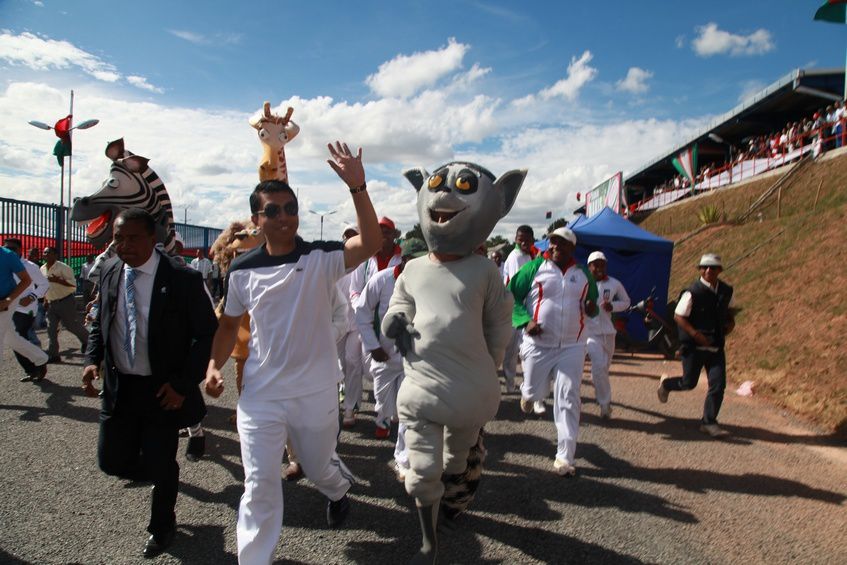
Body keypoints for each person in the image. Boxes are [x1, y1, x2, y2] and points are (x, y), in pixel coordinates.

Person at [204, 141, 381, 564]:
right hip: (261, 396)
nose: (283, 217)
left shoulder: (322, 258)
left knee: (319, 468)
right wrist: (214, 366)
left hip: (315, 391)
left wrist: (358, 187)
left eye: (290, 209)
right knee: (260, 483)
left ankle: (338, 491)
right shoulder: (242, 271)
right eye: (273, 211)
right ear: (256, 219)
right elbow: (229, 325)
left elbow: (371, 242)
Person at [81, 208, 217, 558]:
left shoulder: (182, 278)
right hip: (120, 387)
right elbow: (102, 321)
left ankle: (162, 527)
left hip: (162, 390)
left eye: (132, 238)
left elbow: (206, 335)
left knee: (161, 462)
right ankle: (160, 473)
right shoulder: (111, 270)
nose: (123, 245)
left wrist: (184, 384)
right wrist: (91, 360)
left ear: (153, 239)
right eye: (118, 238)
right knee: (110, 461)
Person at [508, 227, 598, 476]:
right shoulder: (534, 268)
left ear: (572, 247)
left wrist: (592, 308)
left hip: (573, 345)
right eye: (553, 242)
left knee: (569, 398)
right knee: (534, 391)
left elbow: (593, 306)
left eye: (561, 243)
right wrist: (525, 321)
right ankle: (528, 393)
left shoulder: (582, 274)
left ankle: (565, 458)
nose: (555, 246)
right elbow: (511, 297)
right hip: (538, 344)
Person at [354, 238, 428, 480]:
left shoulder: (429, 282)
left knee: (409, 411)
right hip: (383, 358)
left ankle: (403, 459)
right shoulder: (382, 279)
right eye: (414, 259)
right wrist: (373, 346)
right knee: (386, 408)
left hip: (414, 360)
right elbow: (362, 311)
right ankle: (386, 418)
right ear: (403, 259)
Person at [658, 253, 736, 438]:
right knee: (688, 383)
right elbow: (678, 316)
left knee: (718, 385)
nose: (709, 270)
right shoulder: (692, 292)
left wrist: (731, 324)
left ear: (719, 270)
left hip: (716, 346)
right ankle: (667, 384)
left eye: (713, 267)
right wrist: (695, 334)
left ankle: (709, 422)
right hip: (694, 346)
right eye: (705, 267)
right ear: (700, 270)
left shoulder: (726, 291)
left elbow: (730, 311)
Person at [343, 215, 402, 426]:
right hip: (364, 321)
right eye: (379, 232)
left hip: (394, 324)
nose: (382, 236)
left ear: (394, 235)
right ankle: (351, 406)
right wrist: (364, 307)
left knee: (391, 365)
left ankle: (389, 410)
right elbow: (354, 290)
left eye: (386, 231)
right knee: (352, 362)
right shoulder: (366, 258)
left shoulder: (403, 258)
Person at [584, 251, 630, 419]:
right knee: (598, 366)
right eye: (596, 265)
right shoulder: (583, 284)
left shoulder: (614, 283)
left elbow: (626, 302)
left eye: (602, 264)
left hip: (609, 333)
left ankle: (599, 387)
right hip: (590, 333)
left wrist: (613, 306)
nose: (599, 268)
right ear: (589, 266)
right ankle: (605, 404)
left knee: (604, 368)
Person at [2, 238, 49, 381]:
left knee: (17, 335)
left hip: (24, 309)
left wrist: (32, 296)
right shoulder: (4, 260)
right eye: (7, 247)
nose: (9, 250)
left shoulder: (30, 266)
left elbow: (44, 284)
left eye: (13, 248)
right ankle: (35, 365)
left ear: (20, 249)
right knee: (12, 339)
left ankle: (36, 365)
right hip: (8, 307)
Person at [336, 225, 367, 428]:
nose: (350, 239)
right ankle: (340, 397)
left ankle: (350, 407)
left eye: (353, 235)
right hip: (337, 320)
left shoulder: (365, 263)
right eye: (347, 236)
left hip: (357, 320)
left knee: (353, 362)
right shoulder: (335, 261)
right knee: (338, 364)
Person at [502, 225, 538, 398]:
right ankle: (509, 384)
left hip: (523, 309)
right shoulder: (515, 256)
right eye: (520, 238)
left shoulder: (530, 256)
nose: (523, 242)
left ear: (532, 240)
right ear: (515, 239)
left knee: (517, 349)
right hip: (513, 309)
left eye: (527, 239)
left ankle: (518, 384)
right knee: (509, 350)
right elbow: (518, 286)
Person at [41, 246, 88, 363]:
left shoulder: (64, 268)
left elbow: (73, 286)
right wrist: (45, 300)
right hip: (51, 303)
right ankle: (54, 355)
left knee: (71, 326)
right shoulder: (42, 269)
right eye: (44, 252)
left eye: (48, 252)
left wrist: (58, 280)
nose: (45, 254)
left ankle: (88, 341)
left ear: (55, 255)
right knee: (51, 329)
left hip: (65, 301)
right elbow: (45, 286)